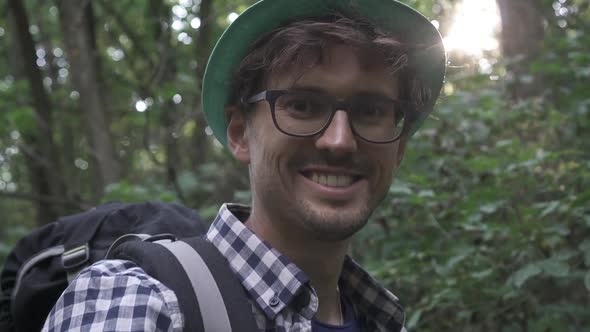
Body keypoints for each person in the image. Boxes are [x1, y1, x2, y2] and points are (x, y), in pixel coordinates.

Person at [42, 0, 445, 331]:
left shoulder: (382, 321)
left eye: (371, 110)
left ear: (400, 147)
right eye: (302, 105)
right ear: (239, 134)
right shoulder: (141, 301)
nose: (339, 140)